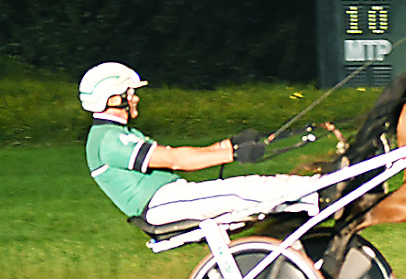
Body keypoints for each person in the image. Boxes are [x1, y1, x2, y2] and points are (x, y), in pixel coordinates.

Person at [80, 61, 326, 226]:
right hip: (159, 204)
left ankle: (317, 191)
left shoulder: (119, 134)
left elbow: (179, 155)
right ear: (112, 98)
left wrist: (229, 144)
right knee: (243, 190)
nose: (135, 98)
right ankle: (320, 195)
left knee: (251, 187)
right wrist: (233, 154)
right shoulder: (108, 140)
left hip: (171, 197)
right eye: (130, 93)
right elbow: (177, 159)